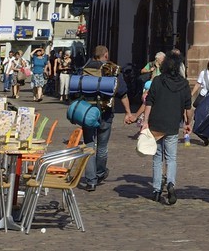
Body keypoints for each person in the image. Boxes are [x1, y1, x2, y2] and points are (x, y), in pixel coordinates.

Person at [136, 53, 193, 205]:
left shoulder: (157, 81)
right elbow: (188, 107)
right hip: (173, 125)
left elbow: (149, 102)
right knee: (171, 158)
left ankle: (156, 189)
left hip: (156, 124)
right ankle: (170, 184)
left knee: (157, 158)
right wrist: (188, 123)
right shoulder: (184, 84)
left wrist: (145, 121)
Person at [79, 45, 134, 192]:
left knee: (89, 145)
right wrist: (128, 112)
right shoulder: (112, 69)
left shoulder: (85, 68)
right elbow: (122, 93)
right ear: (106, 55)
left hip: (88, 111)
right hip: (106, 112)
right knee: (102, 146)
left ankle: (90, 181)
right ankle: (99, 173)